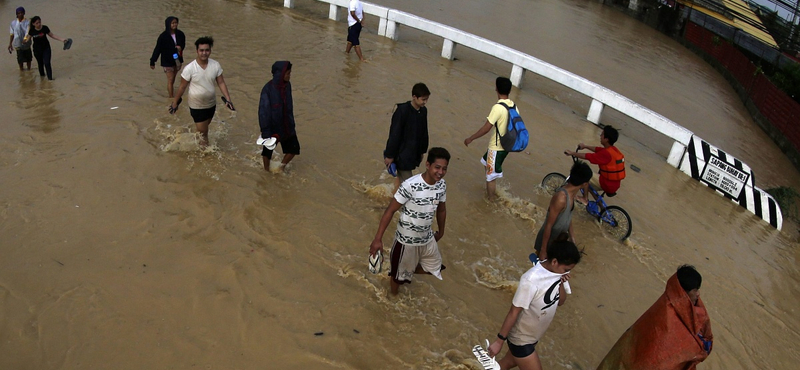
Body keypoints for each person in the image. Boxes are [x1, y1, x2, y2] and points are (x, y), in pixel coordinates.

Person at [487, 239, 582, 370]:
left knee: (506, 364)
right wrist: (499, 342)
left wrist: (560, 283)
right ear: (554, 262)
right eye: (566, 269)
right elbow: (513, 312)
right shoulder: (530, 280)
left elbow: (561, 302)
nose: (568, 273)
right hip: (521, 339)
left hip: (533, 337)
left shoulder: (557, 274)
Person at [596, 265, 713, 370]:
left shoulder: (665, 302)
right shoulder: (671, 314)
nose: (698, 294)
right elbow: (700, 349)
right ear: (684, 293)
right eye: (695, 290)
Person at [369, 147, 449, 295]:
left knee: (435, 268)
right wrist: (377, 239)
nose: (440, 172)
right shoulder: (410, 185)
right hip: (406, 241)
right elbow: (390, 210)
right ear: (428, 164)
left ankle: (404, 267)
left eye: (444, 169)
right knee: (397, 279)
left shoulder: (441, 185)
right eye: (437, 167)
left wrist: (441, 232)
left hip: (426, 238)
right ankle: (393, 298)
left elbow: (442, 209)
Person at [169, 36, 234, 147]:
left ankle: (195, 142)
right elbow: (182, 87)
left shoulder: (215, 65)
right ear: (197, 51)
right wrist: (175, 102)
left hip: (211, 104)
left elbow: (221, 83)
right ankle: (205, 155)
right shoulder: (190, 68)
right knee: (204, 133)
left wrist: (228, 99)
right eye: (201, 50)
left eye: (207, 50)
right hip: (196, 105)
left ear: (210, 51)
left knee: (203, 129)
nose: (204, 53)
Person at [463, 77, 516, 201]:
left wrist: (471, 138)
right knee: (485, 163)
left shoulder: (497, 108)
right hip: (506, 146)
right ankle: (491, 187)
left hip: (496, 148)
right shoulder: (513, 105)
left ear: (496, 89)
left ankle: (491, 200)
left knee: (490, 177)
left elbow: (486, 128)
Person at [533, 161, 593, 261]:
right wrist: (543, 250)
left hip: (558, 241)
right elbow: (548, 225)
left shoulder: (572, 194)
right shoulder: (561, 198)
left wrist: (573, 239)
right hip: (548, 243)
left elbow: (568, 218)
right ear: (585, 184)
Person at [383, 83, 430, 189]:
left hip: (413, 153)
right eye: (423, 99)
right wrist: (390, 155)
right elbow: (394, 134)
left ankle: (393, 199)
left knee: (401, 183)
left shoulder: (423, 111)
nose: (425, 102)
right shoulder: (402, 111)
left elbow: (424, 131)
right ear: (414, 97)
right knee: (410, 186)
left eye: (426, 99)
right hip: (402, 154)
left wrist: (422, 150)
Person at [258, 61, 299, 173]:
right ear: (280, 74)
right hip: (273, 126)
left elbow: (289, 106)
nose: (289, 76)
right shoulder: (267, 89)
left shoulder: (287, 86)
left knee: (294, 149)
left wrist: (291, 123)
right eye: (288, 73)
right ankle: (266, 171)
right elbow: (263, 111)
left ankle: (281, 167)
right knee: (267, 151)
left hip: (287, 124)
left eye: (290, 73)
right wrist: (266, 130)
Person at [564, 125, 625, 200]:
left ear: (606, 139)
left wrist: (572, 153)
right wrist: (585, 146)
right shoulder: (613, 150)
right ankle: (599, 206)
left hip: (606, 183)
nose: (600, 136)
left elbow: (588, 156)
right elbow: (597, 149)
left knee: (584, 174)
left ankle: (584, 198)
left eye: (602, 134)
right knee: (588, 183)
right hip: (614, 184)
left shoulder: (606, 154)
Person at [150, 16, 186, 98]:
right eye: (172, 23)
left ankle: (171, 93)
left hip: (177, 60)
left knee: (173, 79)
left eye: (176, 23)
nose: (174, 25)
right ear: (168, 24)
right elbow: (157, 49)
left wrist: (180, 47)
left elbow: (183, 44)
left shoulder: (180, 34)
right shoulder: (163, 36)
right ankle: (171, 97)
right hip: (167, 60)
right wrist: (153, 61)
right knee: (170, 79)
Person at [24, 16, 68, 80]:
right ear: (33, 24)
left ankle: (50, 79)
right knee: (40, 64)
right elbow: (28, 39)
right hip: (37, 50)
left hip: (46, 48)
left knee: (47, 63)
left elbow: (52, 35)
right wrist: (24, 42)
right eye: (37, 23)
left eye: (39, 22)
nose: (39, 24)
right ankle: (42, 79)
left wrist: (62, 39)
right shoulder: (32, 31)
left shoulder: (45, 28)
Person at [8, 7, 31, 71]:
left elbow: (28, 32)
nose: (20, 14)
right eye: (18, 13)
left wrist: (25, 39)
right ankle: (22, 71)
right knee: (20, 59)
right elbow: (12, 34)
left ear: (24, 13)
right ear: (16, 14)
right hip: (17, 43)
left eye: (21, 13)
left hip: (26, 43)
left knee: (28, 59)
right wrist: (10, 44)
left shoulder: (27, 22)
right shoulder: (13, 23)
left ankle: (29, 70)